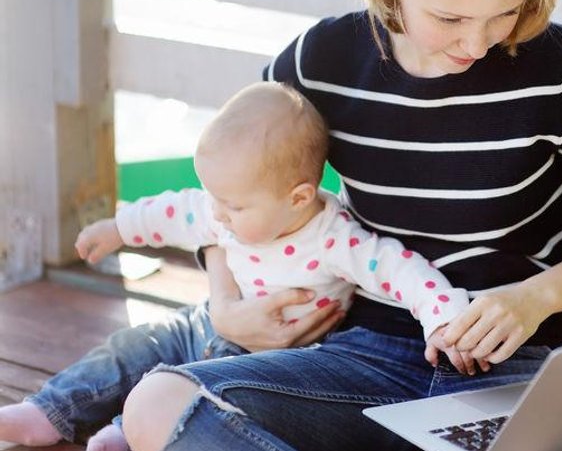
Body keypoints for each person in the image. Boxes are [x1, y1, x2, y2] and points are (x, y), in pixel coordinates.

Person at [120, 0, 562, 449]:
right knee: (160, 403)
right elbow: (234, 186)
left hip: (535, 357)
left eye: (505, 13)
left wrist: (535, 299)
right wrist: (227, 303)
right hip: (369, 352)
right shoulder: (322, 62)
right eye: (449, 17)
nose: (477, 43)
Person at [0, 82, 473, 451]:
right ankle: (50, 408)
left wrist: (442, 315)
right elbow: (173, 211)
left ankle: (128, 429)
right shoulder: (226, 205)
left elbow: (400, 269)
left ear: (298, 198)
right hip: (209, 317)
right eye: (215, 199)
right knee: (134, 344)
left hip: (271, 353)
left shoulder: (334, 239)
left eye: (233, 206)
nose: (218, 214)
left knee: (205, 375)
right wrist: (119, 228)